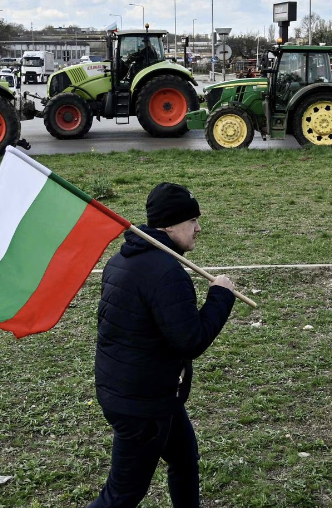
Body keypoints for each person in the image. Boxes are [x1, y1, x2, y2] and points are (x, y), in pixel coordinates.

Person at [88, 183, 237, 508]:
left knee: (184, 459)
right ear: (169, 225)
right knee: (122, 494)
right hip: (141, 405)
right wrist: (220, 296)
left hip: (145, 391)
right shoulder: (166, 273)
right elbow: (191, 340)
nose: (198, 228)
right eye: (192, 220)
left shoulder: (121, 260)